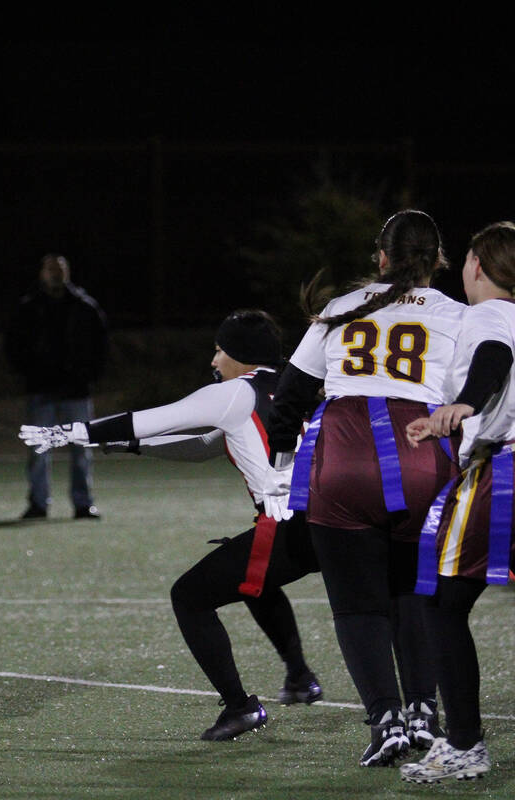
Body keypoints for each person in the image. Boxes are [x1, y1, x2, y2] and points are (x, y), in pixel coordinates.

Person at [19, 309, 323, 741]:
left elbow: (154, 418)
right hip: (335, 519)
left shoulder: (236, 393)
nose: (214, 360)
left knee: (190, 597)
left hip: (290, 524)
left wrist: (73, 432)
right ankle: (306, 679)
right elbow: (203, 447)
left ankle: (241, 707)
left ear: (242, 355)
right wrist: (130, 447)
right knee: (267, 580)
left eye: (220, 350)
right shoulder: (296, 386)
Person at [262, 210, 466, 767]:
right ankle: (425, 710)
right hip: (423, 454)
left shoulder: (338, 310)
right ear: (439, 261)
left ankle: (386, 722)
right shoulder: (456, 315)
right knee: (416, 595)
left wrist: (277, 472)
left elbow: (289, 402)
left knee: (357, 608)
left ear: (381, 257)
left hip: (344, 457)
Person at [399, 221, 515, 784]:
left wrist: (466, 403)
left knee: (442, 605)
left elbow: (492, 358)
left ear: (478, 265)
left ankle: (464, 744)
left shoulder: (489, 314)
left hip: (504, 469)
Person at [5, 253, 108, 520]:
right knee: (39, 451)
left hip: (76, 390)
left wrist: (89, 374)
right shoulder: (29, 308)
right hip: (42, 389)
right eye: (51, 269)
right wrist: (28, 373)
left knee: (82, 451)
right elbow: (14, 345)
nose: (56, 274)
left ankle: (83, 503)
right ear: (42, 273)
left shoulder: (85, 307)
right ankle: (39, 504)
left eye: (60, 269)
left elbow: (101, 346)